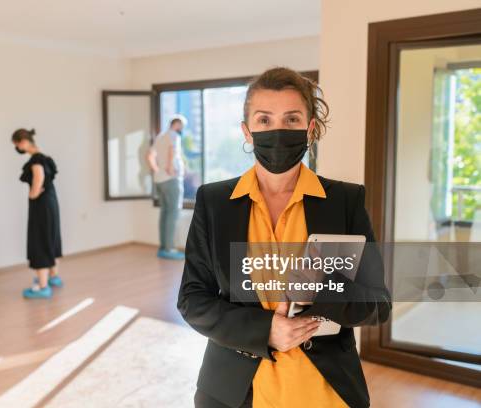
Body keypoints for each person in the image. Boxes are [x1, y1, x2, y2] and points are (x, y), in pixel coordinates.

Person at [177, 67, 391, 408]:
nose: (277, 130)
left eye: (291, 119)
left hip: (325, 390)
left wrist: (316, 293)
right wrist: (265, 330)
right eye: (264, 120)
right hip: (233, 390)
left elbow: (377, 304)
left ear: (309, 129)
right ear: (247, 132)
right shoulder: (214, 202)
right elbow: (192, 300)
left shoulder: (345, 201)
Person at [12, 128, 63, 299]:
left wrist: (33, 193)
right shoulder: (45, 157)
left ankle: (43, 287)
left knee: (40, 239)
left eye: (16, 144)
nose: (17, 148)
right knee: (51, 236)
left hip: (41, 204)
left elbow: (39, 176)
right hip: (52, 201)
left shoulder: (36, 160)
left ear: (23, 142)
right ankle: (54, 277)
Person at [147, 116, 186, 260]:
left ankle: (163, 247)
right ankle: (170, 249)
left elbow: (149, 155)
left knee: (164, 212)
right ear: (176, 124)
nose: (182, 129)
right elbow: (172, 150)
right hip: (171, 179)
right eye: (181, 126)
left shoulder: (159, 137)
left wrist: (156, 169)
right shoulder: (173, 135)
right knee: (173, 212)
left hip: (159, 180)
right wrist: (169, 168)